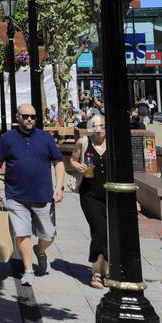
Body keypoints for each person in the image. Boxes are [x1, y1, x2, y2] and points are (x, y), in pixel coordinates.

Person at [0, 104, 65, 287]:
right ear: (17, 117)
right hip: (16, 195)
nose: (30, 119)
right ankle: (28, 270)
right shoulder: (7, 139)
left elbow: (58, 162)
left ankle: (40, 251)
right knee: (22, 233)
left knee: (48, 234)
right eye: (25, 116)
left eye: (33, 116)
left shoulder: (46, 138)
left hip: (43, 195)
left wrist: (60, 186)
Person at [69, 114, 109, 289]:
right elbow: (72, 160)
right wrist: (79, 166)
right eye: (95, 126)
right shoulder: (84, 142)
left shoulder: (113, 143)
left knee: (109, 234)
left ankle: (105, 271)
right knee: (99, 230)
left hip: (110, 195)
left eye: (102, 125)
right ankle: (96, 273)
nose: (99, 129)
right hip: (89, 194)